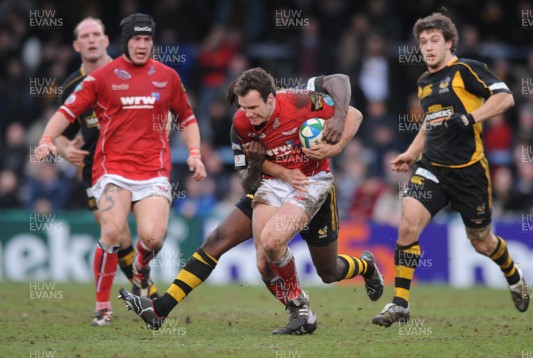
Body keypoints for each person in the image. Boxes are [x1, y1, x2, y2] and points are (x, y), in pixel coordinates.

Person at [118, 73, 383, 335]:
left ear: (271, 98)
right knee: (233, 247)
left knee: (328, 271)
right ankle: (161, 309)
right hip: (271, 184)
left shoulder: (301, 102)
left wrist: (335, 137)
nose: (249, 114)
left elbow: (350, 104)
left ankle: (366, 266)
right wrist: (256, 164)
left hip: (311, 182)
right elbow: (248, 184)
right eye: (244, 107)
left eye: (254, 107)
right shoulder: (241, 125)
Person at [35, 14, 206, 327]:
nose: (142, 45)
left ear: (152, 43)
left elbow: (187, 117)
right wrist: (48, 138)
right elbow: (66, 111)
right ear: (125, 42)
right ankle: (102, 307)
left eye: (147, 40)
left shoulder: (167, 77)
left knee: (153, 238)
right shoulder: (102, 78)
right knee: (112, 232)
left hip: (153, 172)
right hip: (111, 170)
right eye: (136, 39)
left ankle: (141, 271)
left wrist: (194, 152)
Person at [372, 13, 530, 328]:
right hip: (432, 167)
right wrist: (411, 153)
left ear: (449, 43)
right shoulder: (424, 82)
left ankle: (514, 275)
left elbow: (505, 98)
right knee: (407, 226)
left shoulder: (467, 70)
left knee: (482, 242)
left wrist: (470, 118)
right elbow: (430, 123)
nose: (428, 48)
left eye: (434, 41)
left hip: (469, 172)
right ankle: (400, 304)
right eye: (423, 42)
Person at [54, 18, 160, 325]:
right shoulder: (73, 86)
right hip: (98, 171)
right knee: (114, 233)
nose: (90, 40)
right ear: (77, 45)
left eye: (96, 34)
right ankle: (112, 303)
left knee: (150, 236)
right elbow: (61, 131)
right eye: (84, 36)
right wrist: (65, 149)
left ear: (106, 39)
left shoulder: (132, 72)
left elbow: (163, 108)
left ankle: (143, 288)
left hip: (141, 167)